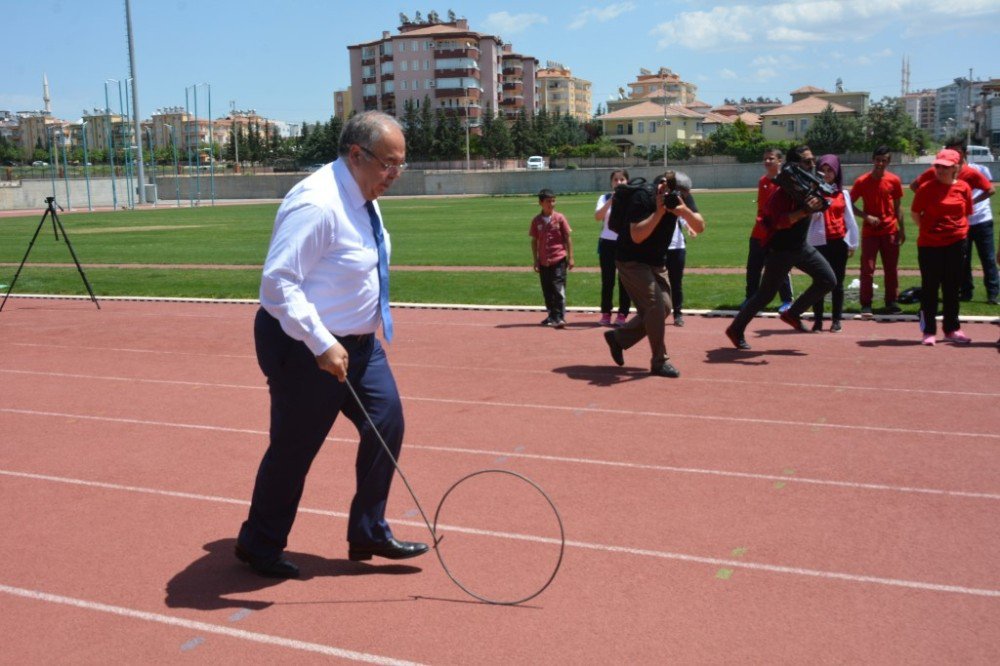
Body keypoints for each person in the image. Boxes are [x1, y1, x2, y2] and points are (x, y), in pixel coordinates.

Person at [235, 111, 428, 579]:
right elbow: (278, 283)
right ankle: (258, 545)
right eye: (389, 165)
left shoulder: (363, 193)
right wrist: (321, 342)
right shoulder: (318, 203)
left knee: (387, 423)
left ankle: (368, 530)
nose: (395, 176)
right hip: (304, 345)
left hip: (360, 346)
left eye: (401, 165)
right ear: (356, 155)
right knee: (294, 449)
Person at [725, 145, 836, 350]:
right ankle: (735, 329)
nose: (812, 164)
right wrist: (805, 211)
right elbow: (777, 221)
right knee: (764, 295)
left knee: (828, 280)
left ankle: (793, 313)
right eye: (807, 161)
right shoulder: (782, 192)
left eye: (812, 160)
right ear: (795, 165)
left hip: (801, 247)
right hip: (781, 251)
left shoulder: (806, 184)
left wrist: (819, 204)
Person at [603, 171, 706, 377]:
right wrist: (659, 212)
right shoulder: (642, 196)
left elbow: (700, 226)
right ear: (663, 186)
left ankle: (619, 339)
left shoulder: (680, 197)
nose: (679, 197)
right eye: (675, 193)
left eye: (684, 195)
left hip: (657, 261)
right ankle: (659, 361)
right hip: (631, 260)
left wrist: (683, 210)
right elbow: (637, 236)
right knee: (655, 306)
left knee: (666, 307)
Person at [909, 140, 996, 304]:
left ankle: (992, 293)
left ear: (963, 155)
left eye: (957, 152)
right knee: (963, 261)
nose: (953, 157)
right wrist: (931, 203)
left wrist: (971, 202)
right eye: (950, 153)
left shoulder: (973, 172)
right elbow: (916, 190)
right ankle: (965, 292)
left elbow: (990, 189)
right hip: (956, 227)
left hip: (981, 219)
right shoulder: (935, 172)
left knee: (987, 258)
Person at [910, 148, 974, 346]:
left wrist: (955, 231)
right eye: (937, 166)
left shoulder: (963, 188)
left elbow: (967, 213)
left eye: (945, 167)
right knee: (930, 288)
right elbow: (915, 213)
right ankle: (928, 331)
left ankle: (952, 329)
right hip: (930, 245)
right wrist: (929, 230)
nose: (940, 170)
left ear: (955, 168)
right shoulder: (926, 188)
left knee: (952, 288)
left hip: (956, 243)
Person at [850, 146, 906, 317]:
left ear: (889, 162)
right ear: (873, 159)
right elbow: (849, 204)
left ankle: (892, 301)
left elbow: (898, 206)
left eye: (884, 160)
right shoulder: (862, 181)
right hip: (870, 232)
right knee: (867, 269)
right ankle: (866, 304)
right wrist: (866, 216)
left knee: (891, 268)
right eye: (878, 159)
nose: (880, 163)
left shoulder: (894, 181)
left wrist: (901, 229)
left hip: (890, 230)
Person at [808, 154, 859, 332]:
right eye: (823, 170)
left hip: (838, 243)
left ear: (837, 172)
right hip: (819, 243)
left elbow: (850, 219)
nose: (827, 174)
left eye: (831, 170)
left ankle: (836, 319)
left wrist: (852, 243)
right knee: (819, 282)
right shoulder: (813, 192)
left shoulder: (842, 194)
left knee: (837, 282)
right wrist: (815, 204)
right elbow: (810, 218)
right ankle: (818, 320)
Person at [745, 148, 794, 312]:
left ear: (780, 161)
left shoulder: (786, 182)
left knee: (779, 269)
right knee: (753, 268)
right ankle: (751, 299)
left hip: (777, 233)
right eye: (765, 159)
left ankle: (787, 300)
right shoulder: (762, 181)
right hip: (759, 232)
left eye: (771, 159)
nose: (767, 162)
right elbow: (761, 208)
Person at [530, 188, 574, 328]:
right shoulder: (536, 220)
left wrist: (571, 257)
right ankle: (551, 315)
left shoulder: (559, 218)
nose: (552, 204)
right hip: (544, 261)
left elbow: (568, 237)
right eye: (548, 201)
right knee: (547, 289)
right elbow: (534, 240)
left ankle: (560, 317)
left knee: (558, 287)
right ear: (541, 203)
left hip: (558, 258)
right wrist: (536, 259)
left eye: (554, 200)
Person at [594, 170, 632, 326]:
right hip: (607, 243)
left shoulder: (632, 198)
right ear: (611, 183)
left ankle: (623, 313)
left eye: (622, 179)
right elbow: (597, 217)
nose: (619, 182)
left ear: (627, 181)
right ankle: (606, 313)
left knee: (625, 280)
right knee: (607, 280)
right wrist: (611, 200)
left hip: (625, 243)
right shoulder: (604, 198)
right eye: (616, 180)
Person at [665, 173, 698, 327]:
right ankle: (658, 312)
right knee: (659, 283)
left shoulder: (677, 201)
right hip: (660, 248)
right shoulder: (660, 199)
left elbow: (682, 216)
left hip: (677, 247)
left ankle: (678, 314)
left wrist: (689, 227)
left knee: (676, 283)